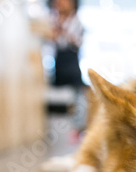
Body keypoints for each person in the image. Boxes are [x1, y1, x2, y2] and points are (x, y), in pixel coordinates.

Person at [49, 0, 86, 143]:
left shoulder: (77, 22)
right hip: (58, 66)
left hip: (72, 66)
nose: (60, 3)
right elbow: (51, 40)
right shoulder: (53, 19)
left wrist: (61, 30)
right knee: (57, 101)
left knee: (77, 100)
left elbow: (76, 42)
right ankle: (57, 136)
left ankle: (75, 132)